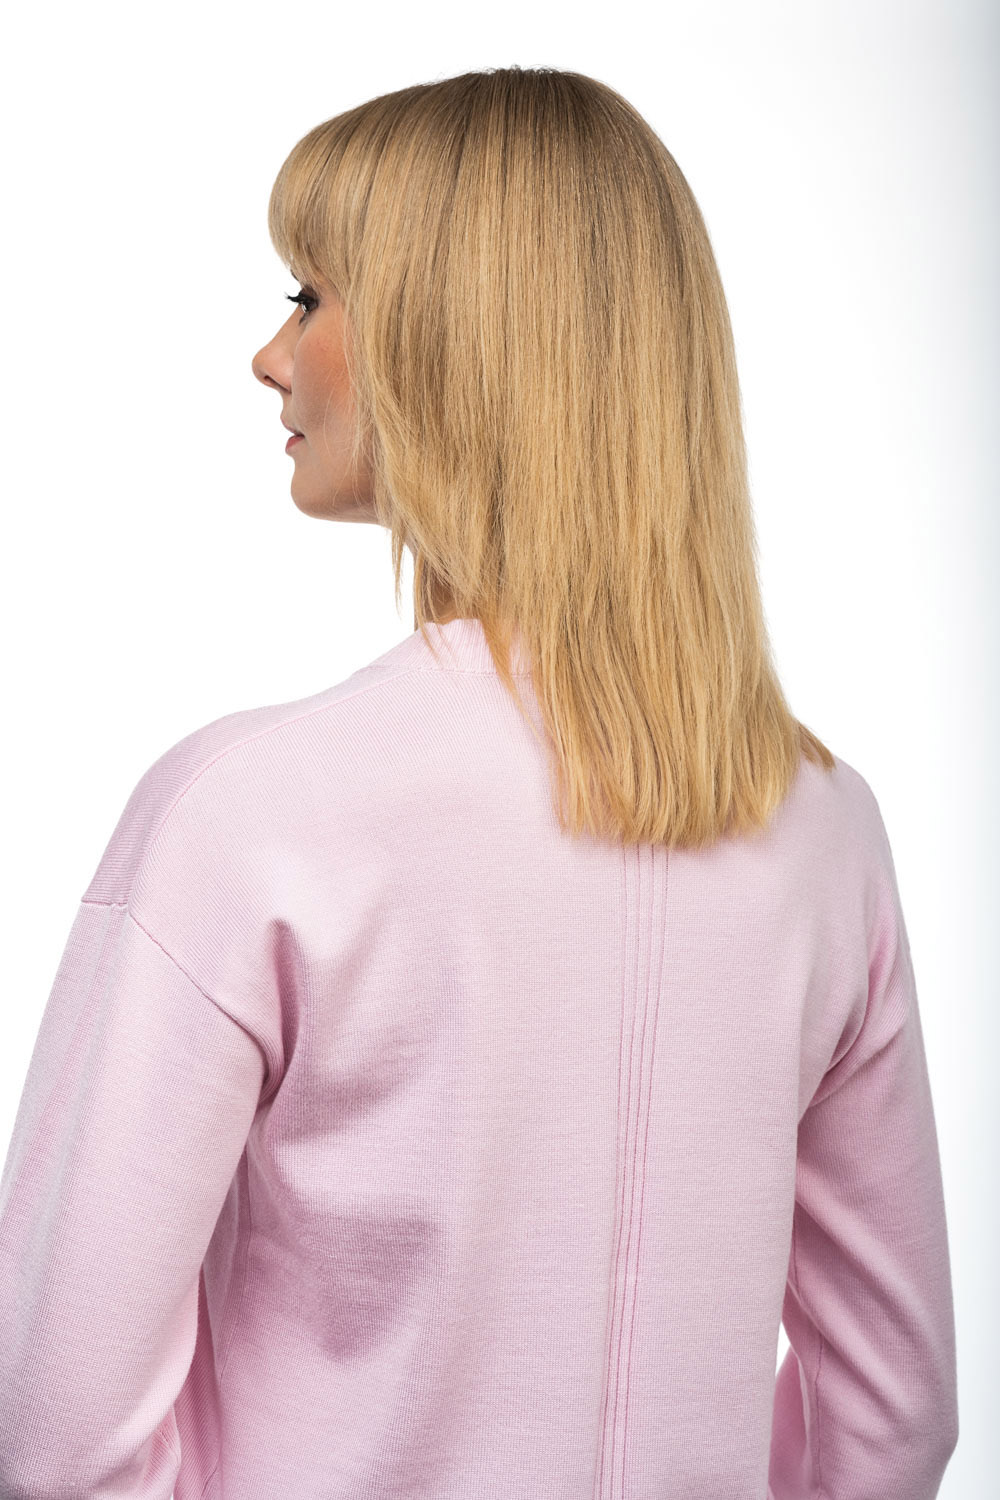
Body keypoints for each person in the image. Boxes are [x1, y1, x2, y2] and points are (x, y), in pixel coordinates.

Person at [0, 65, 958, 1499]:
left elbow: (54, 1435)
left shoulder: (251, 818)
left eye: (309, 297)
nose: (269, 355)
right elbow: (892, 1418)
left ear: (450, 338)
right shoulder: (828, 837)